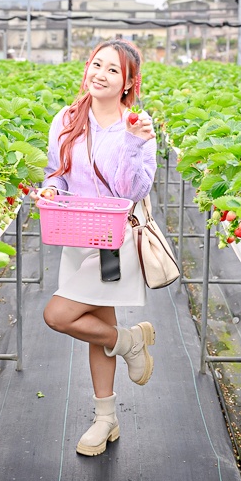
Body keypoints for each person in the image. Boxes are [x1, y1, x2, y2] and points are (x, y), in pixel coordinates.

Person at [38, 39, 158, 457]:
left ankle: (128, 342)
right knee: (96, 324)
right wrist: (51, 189)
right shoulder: (67, 118)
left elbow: (133, 192)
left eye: (112, 70)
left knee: (58, 315)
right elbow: (57, 173)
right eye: (96, 64)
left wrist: (133, 143)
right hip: (75, 235)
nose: (100, 75)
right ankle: (106, 417)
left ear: (128, 83)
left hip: (113, 240)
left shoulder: (138, 126)